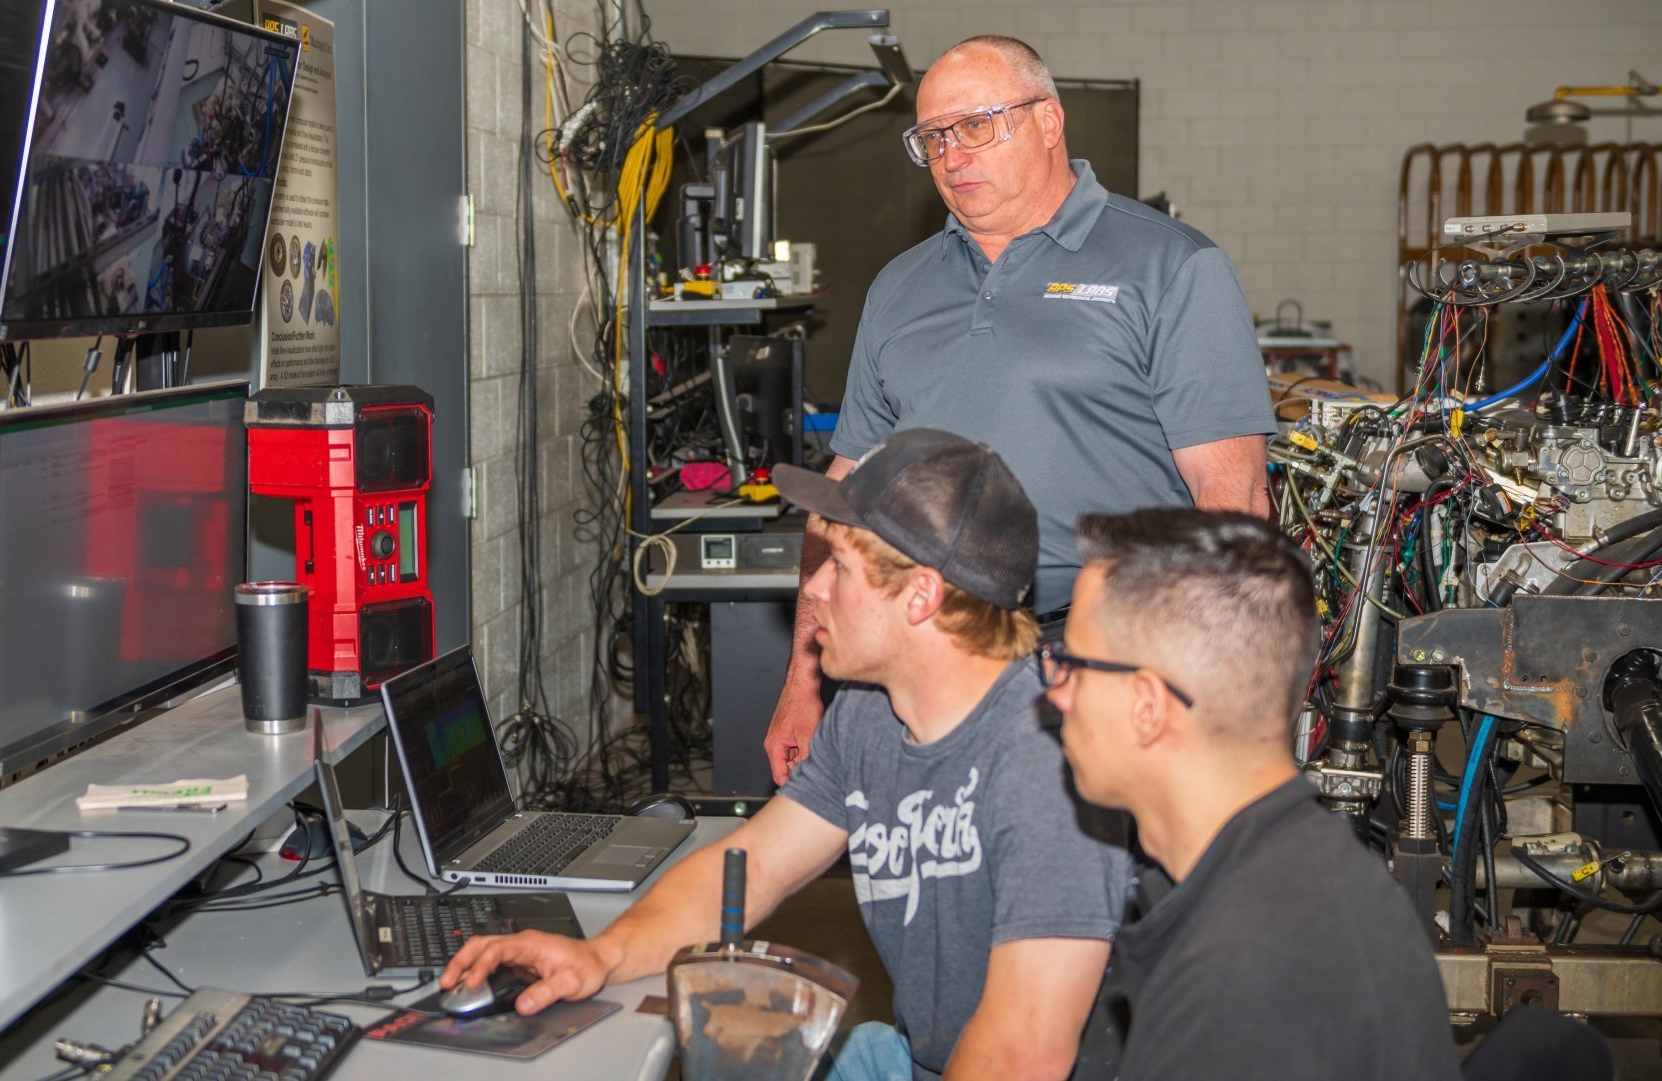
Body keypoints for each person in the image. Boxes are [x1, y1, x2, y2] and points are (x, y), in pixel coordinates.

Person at [444, 429, 1131, 1081]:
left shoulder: (1050, 760)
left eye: (842, 566)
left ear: (921, 594)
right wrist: (598, 955)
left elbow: (1023, 1053)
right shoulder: (868, 711)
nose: (813, 588)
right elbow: (754, 866)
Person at [766, 34, 1279, 784]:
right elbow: (839, 509)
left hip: (1101, 658)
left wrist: (1179, 688)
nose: (952, 154)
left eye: (976, 125)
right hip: (924, 658)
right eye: (933, 137)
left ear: (1049, 120)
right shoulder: (899, 288)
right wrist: (804, 684)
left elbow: (1231, 501)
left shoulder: (1172, 266)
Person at [1042, 509, 1461, 1080]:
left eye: (1069, 664)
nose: (1055, 694)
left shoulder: (1246, 980)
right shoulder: (1285, 872)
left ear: (1146, 706)